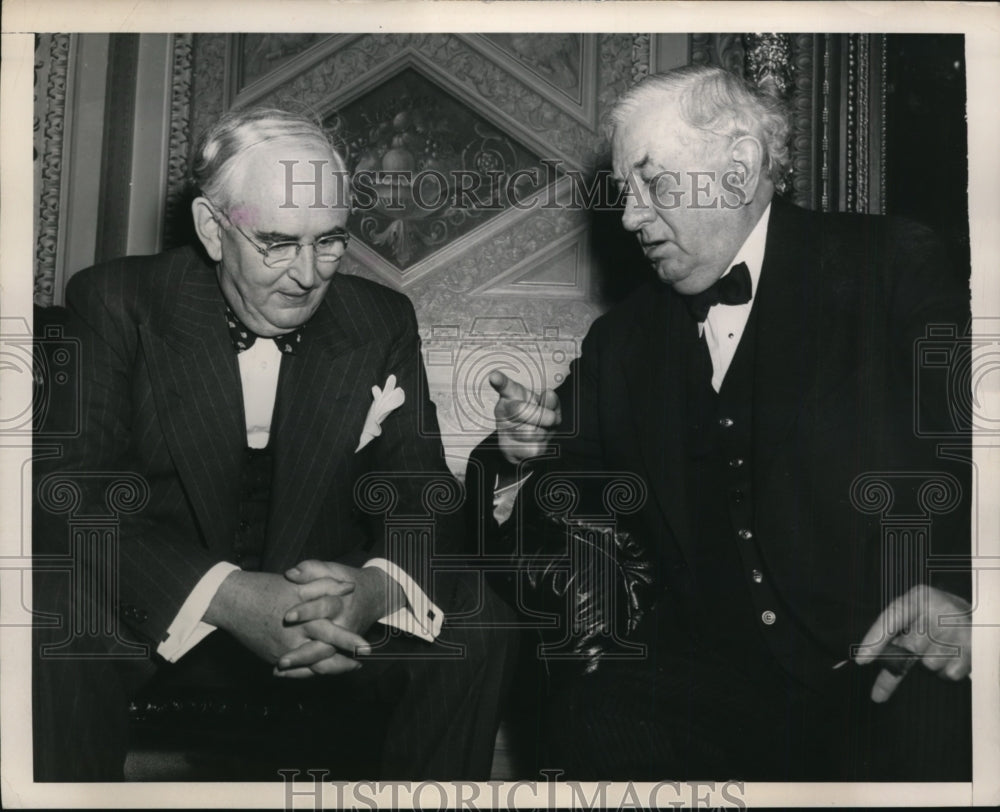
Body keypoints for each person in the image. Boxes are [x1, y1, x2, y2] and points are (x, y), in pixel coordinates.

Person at [473, 65, 972, 780]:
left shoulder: (890, 265)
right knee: (594, 716)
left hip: (894, 666)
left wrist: (968, 597)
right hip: (714, 692)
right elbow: (545, 479)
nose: (633, 219)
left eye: (655, 185)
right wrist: (526, 448)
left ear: (738, 168)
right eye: (624, 195)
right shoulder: (621, 345)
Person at [32, 107, 514, 781]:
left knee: (473, 621)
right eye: (278, 243)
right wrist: (228, 596)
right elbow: (71, 494)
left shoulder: (380, 320)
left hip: (327, 611)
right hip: (157, 611)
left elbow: (421, 493)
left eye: (330, 242)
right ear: (211, 228)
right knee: (48, 610)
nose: (308, 275)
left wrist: (374, 589)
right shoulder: (115, 301)